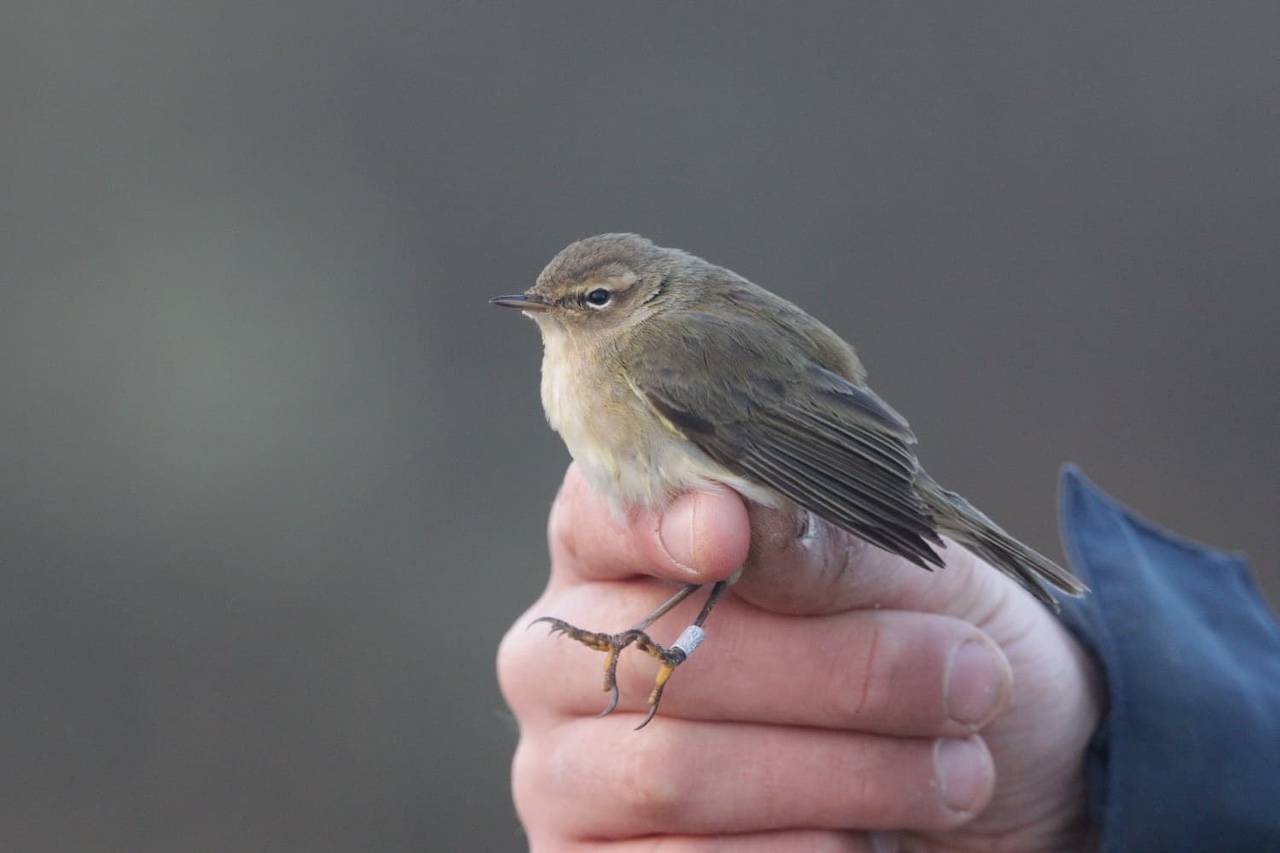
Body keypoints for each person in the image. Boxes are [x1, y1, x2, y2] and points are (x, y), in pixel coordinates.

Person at [497, 464, 1280, 851]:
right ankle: (662, 644)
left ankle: (668, 645)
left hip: (797, 499)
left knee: (724, 551)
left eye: (593, 302)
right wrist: (1078, 791)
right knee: (711, 558)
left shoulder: (656, 352)